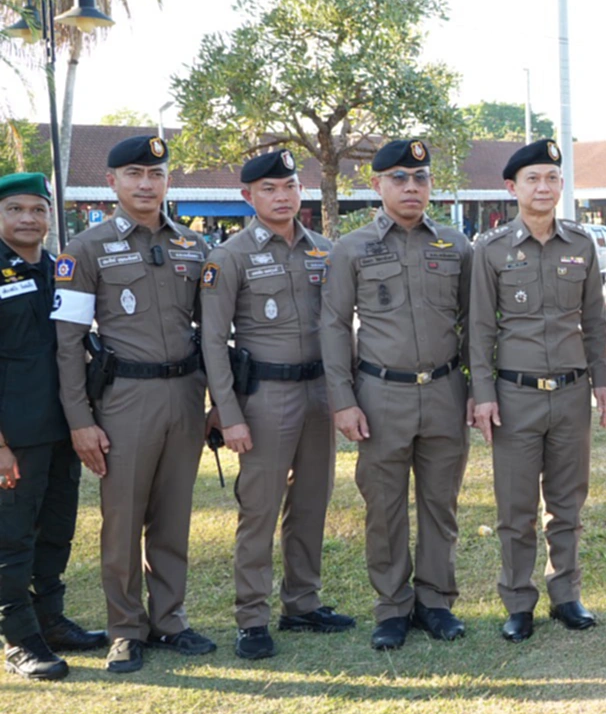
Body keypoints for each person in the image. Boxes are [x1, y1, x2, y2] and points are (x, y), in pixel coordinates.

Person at [51, 135, 214, 674]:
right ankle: (125, 628)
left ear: (167, 181)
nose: (147, 184)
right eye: (135, 174)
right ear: (112, 182)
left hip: (185, 394)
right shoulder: (85, 249)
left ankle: (170, 619)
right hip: (125, 399)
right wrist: (80, 422)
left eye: (156, 174)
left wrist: (218, 402)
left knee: (173, 515)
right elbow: (68, 344)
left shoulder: (194, 246)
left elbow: (213, 333)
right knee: (122, 520)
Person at [199, 151, 353, 661]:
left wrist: (344, 397)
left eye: (289, 186)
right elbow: (213, 341)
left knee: (311, 502)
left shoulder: (325, 251)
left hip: (318, 394)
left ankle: (303, 603)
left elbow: (340, 328)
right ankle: (251, 618)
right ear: (248, 197)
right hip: (265, 397)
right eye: (269, 189)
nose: (282, 197)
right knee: (259, 510)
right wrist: (229, 413)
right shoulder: (229, 257)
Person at [319, 139, 473, 650]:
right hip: (381, 394)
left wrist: (478, 390)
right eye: (399, 178)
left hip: (445, 391)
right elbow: (334, 325)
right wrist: (343, 400)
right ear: (377, 184)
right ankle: (391, 607)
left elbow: (474, 324)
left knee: (440, 504)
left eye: (420, 178)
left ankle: (436, 602)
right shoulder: (351, 248)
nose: (412, 187)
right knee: (384, 508)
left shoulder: (456, 245)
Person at [469, 139, 606, 641]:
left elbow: (594, 319)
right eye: (533, 178)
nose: (544, 187)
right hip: (516, 396)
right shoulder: (491, 250)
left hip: (571, 393)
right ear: (512, 188)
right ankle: (518, 601)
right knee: (516, 509)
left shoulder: (581, 244)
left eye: (552, 178)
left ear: (561, 185)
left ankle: (566, 594)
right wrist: (483, 393)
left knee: (567, 504)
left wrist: (602, 381)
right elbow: (480, 329)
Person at [1, 173, 105, 681]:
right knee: (11, 539)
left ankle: (51, 620)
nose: (28, 218)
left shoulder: (60, 270)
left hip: (64, 427)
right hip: (14, 434)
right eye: (15, 209)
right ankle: (19, 639)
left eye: (37, 209)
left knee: (57, 530)